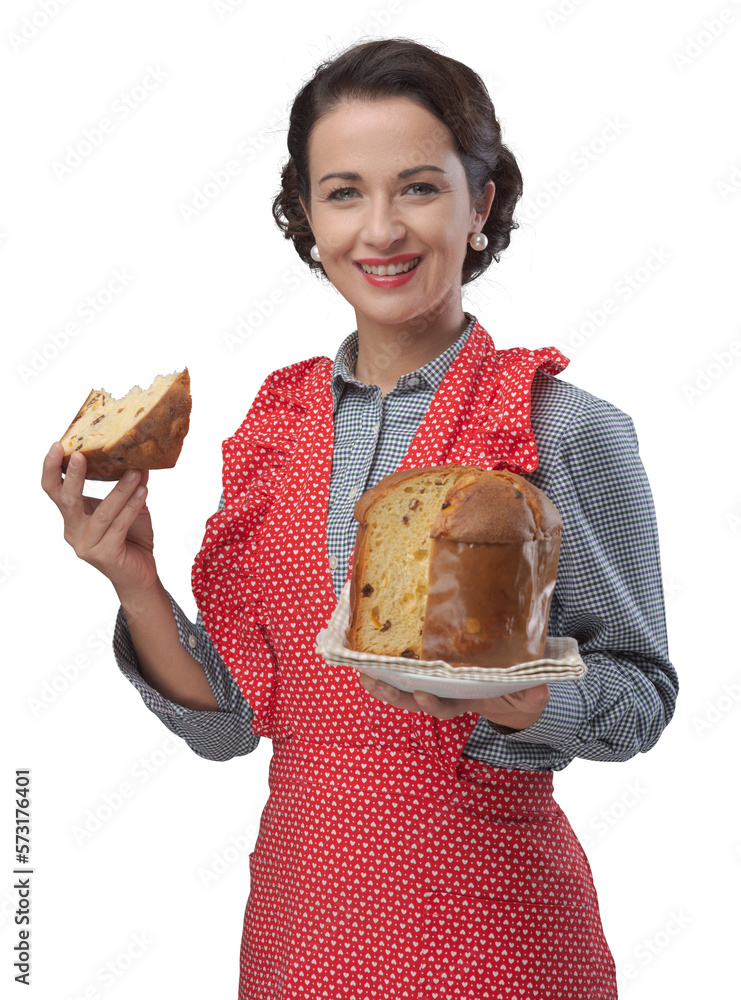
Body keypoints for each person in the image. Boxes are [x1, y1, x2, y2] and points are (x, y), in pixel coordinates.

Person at [42, 37, 677, 999]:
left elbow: (641, 700)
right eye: (343, 193)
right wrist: (134, 580)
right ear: (305, 215)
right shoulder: (275, 424)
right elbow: (231, 726)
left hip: (499, 940)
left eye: (419, 187)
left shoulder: (561, 426)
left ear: (481, 206)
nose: (380, 229)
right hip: (300, 934)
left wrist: (521, 697)